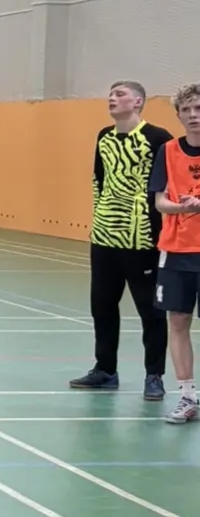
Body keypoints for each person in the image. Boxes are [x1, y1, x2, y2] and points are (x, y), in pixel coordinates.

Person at [69, 80, 172, 399]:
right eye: (110, 94)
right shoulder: (104, 136)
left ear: (138, 101)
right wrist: (101, 217)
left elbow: (166, 185)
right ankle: (105, 369)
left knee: (151, 311)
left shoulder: (158, 138)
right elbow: (98, 179)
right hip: (104, 237)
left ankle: (154, 375)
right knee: (102, 305)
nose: (112, 99)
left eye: (120, 94)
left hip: (142, 239)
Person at [149, 83, 200, 424]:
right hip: (177, 249)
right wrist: (183, 208)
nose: (193, 115)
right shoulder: (167, 151)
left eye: (199, 109)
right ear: (179, 115)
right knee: (178, 321)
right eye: (187, 110)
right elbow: (159, 201)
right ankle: (187, 396)